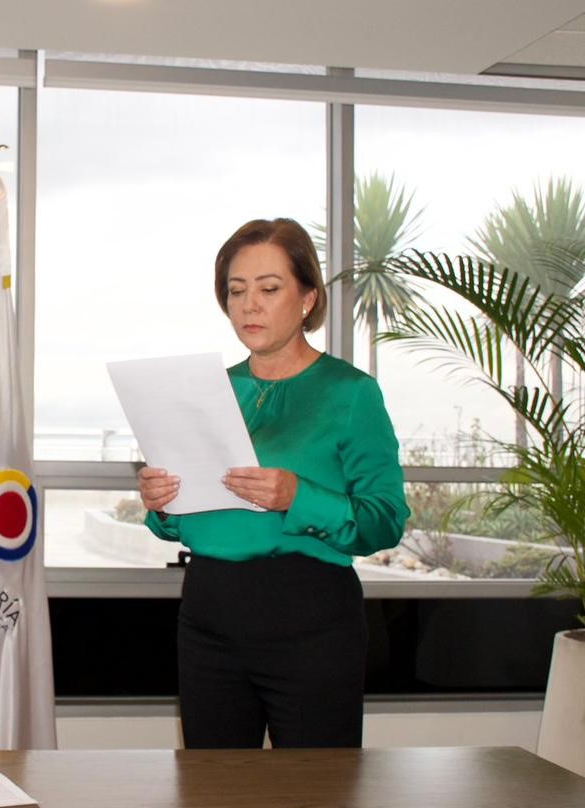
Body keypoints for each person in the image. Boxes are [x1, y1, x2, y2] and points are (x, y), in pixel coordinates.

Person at [138, 217, 409, 750]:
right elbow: (172, 524)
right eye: (236, 291)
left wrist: (299, 497)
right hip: (208, 614)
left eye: (268, 289)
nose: (249, 306)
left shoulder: (351, 393)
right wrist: (161, 504)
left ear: (307, 298)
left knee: (317, 789)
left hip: (312, 620)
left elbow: (385, 521)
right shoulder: (207, 392)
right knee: (213, 789)